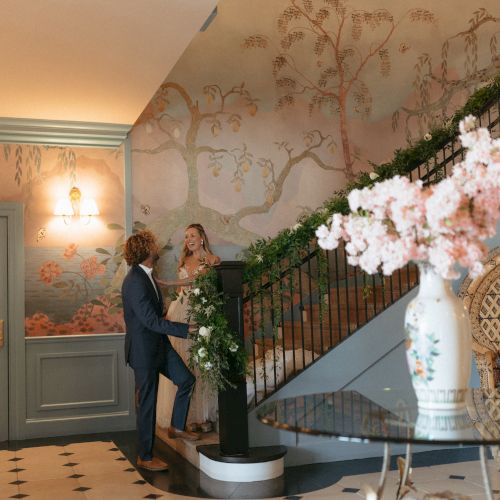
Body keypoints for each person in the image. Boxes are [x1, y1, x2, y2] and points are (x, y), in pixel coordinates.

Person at [121, 229, 199, 473]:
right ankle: (145, 456)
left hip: (159, 345)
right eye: (153, 244)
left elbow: (156, 315)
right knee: (147, 403)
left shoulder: (147, 275)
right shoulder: (134, 280)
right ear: (145, 251)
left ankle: (176, 427)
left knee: (186, 380)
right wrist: (186, 329)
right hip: (144, 351)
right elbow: (150, 321)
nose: (157, 246)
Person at [158, 223, 220, 431]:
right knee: (183, 361)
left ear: (202, 237)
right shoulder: (184, 260)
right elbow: (183, 289)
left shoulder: (213, 260)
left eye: (192, 235)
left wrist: (169, 283)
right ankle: (187, 418)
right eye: (185, 236)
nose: (188, 239)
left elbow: (199, 279)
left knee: (201, 362)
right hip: (180, 312)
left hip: (201, 312)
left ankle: (204, 416)